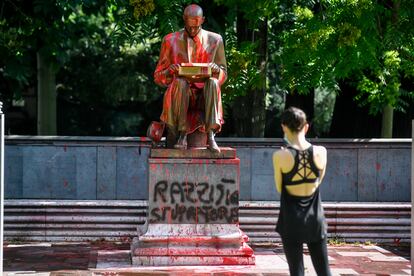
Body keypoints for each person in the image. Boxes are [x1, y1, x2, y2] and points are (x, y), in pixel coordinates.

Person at [154, 4, 227, 152]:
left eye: (196, 26)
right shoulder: (169, 41)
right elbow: (158, 76)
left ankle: (211, 134)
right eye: (189, 27)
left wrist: (217, 70)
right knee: (180, 82)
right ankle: (182, 134)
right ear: (184, 20)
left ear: (203, 20)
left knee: (213, 83)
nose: (192, 30)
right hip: (180, 93)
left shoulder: (215, 40)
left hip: (205, 94)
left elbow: (224, 74)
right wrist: (169, 72)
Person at [273, 107, 332, 276]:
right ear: (306, 127)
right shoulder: (321, 152)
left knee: (296, 271)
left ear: (284, 127)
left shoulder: (280, 156)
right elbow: (318, 182)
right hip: (316, 219)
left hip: (291, 220)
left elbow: (279, 188)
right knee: (324, 270)